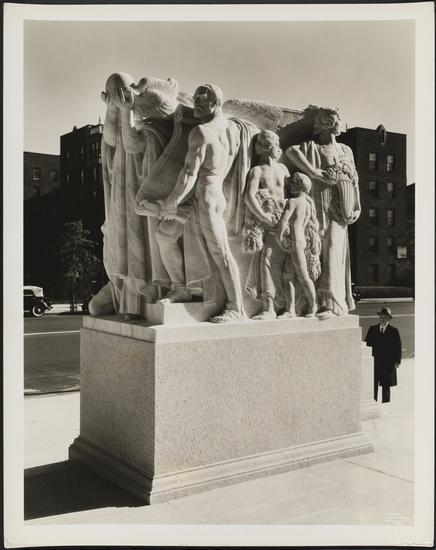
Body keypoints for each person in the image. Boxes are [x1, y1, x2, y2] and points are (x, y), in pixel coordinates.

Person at [159, 84, 244, 323]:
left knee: (220, 251)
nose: (196, 104)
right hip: (210, 194)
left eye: (201, 100)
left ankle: (236, 307)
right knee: (164, 235)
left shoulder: (202, 132)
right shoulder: (233, 128)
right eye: (195, 99)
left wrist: (172, 201)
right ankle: (180, 288)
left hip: (205, 195)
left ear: (215, 103)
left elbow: (189, 171)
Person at [285, 106, 361, 319]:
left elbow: (354, 179)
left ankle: (332, 303)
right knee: (321, 250)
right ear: (326, 123)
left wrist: (358, 206)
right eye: (336, 120)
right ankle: (321, 303)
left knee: (334, 249)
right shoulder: (313, 147)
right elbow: (290, 151)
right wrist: (314, 173)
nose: (339, 123)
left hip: (342, 210)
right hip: (321, 206)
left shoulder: (346, 150)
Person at [243, 130, 289, 320]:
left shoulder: (283, 169)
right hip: (269, 223)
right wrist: (263, 216)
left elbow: (292, 194)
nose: (278, 147)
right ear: (264, 147)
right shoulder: (257, 171)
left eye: (278, 143)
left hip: (286, 222)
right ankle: (269, 307)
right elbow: (249, 196)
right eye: (275, 144)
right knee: (267, 261)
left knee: (288, 266)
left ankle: (289, 307)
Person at [275, 172, 321, 318]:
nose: (291, 185)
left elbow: (283, 220)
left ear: (301, 186)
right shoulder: (308, 204)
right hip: (301, 240)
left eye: (294, 182)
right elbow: (316, 224)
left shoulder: (293, 202)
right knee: (287, 275)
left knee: (302, 275)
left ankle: (313, 306)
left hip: (295, 240)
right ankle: (290, 310)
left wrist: (279, 237)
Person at [365, 307, 402, 403]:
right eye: (381, 317)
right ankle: (373, 402)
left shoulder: (394, 331)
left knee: (386, 385)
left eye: (384, 317)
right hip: (374, 362)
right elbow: (366, 344)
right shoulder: (372, 329)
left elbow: (398, 347)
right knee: (373, 384)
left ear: (389, 319)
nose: (382, 319)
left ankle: (386, 404)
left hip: (387, 363)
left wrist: (397, 362)